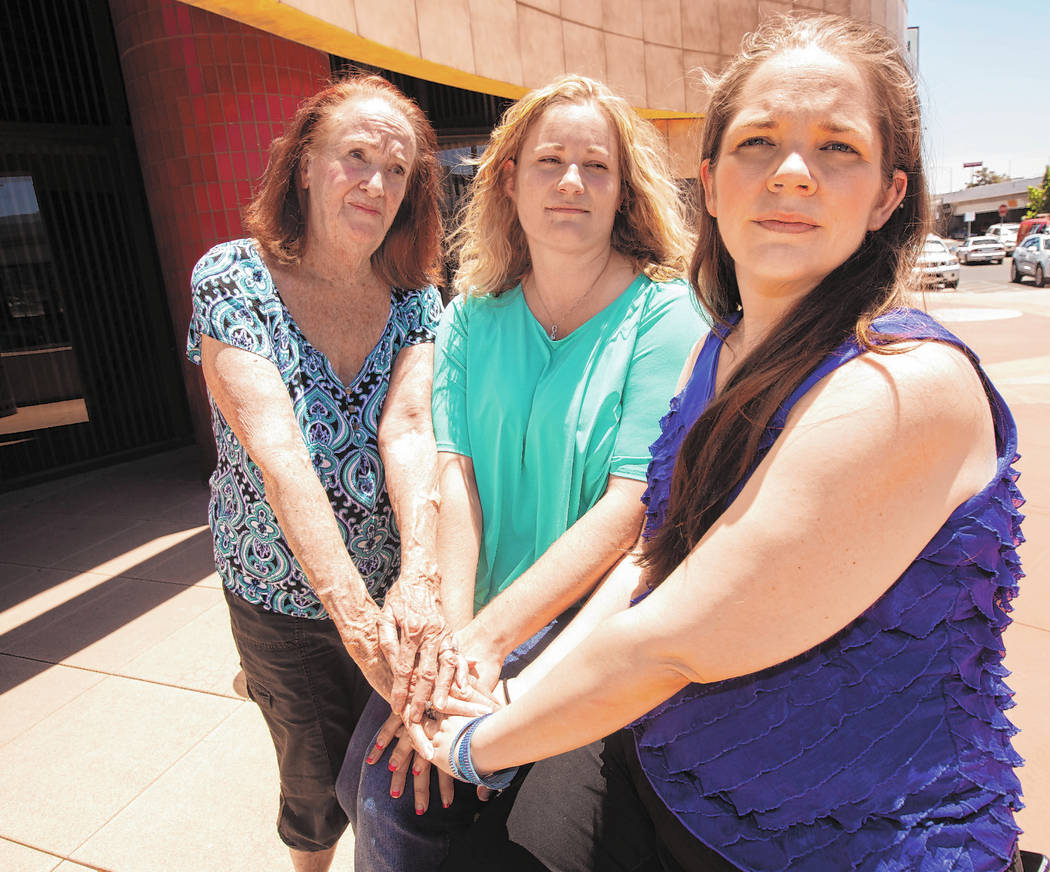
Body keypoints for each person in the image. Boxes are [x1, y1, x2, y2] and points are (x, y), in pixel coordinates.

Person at [418, 15, 1027, 872]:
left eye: (838, 148)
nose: (792, 174)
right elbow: (653, 554)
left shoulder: (903, 384)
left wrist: (474, 741)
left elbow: (672, 638)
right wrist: (517, 692)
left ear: (890, 194)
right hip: (673, 771)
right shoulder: (718, 346)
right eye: (759, 142)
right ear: (709, 181)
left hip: (851, 841)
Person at [336, 75, 705, 871]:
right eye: (549, 161)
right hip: (478, 615)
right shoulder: (471, 314)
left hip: (587, 621)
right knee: (369, 787)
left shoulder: (666, 316)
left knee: (431, 812)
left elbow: (630, 505)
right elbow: (453, 475)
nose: (571, 182)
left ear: (623, 189)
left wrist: (489, 646)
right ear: (509, 178)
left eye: (595, 166)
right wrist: (454, 640)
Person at [186, 76, 486, 872]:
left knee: (393, 774)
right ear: (306, 167)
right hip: (282, 593)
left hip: (393, 592)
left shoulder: (417, 298)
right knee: (314, 787)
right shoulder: (233, 278)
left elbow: (411, 429)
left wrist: (417, 581)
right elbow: (278, 453)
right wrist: (356, 627)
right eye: (356, 157)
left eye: (398, 171)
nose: (376, 183)